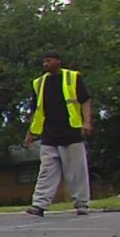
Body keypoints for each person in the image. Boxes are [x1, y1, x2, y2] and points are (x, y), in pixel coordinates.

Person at [24, 51, 94, 217]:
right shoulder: (39, 83)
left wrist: (86, 122)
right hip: (49, 135)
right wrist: (30, 133)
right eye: (44, 62)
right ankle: (39, 205)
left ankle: (81, 204)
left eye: (49, 61)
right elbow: (36, 111)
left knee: (76, 172)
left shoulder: (73, 77)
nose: (45, 64)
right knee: (46, 171)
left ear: (58, 61)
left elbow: (85, 101)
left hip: (71, 132)